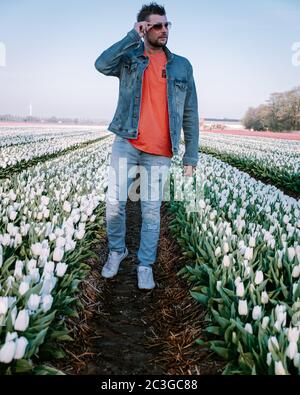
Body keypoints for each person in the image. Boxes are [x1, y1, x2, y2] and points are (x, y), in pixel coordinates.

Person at [94, 2, 199, 290]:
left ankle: (145, 264)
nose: (164, 30)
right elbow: (101, 64)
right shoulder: (130, 57)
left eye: (167, 25)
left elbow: (190, 111)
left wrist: (191, 154)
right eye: (156, 25)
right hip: (127, 142)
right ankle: (117, 251)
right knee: (114, 203)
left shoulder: (182, 65)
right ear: (144, 28)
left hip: (160, 150)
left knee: (151, 211)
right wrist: (131, 36)